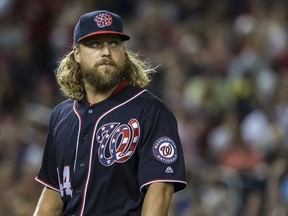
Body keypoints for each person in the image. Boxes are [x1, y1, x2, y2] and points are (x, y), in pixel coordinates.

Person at [33, 10, 187, 216]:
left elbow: (160, 190)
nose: (106, 52)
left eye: (114, 43)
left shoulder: (150, 112)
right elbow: (52, 196)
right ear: (77, 54)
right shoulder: (61, 116)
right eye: (95, 44)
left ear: (123, 51)